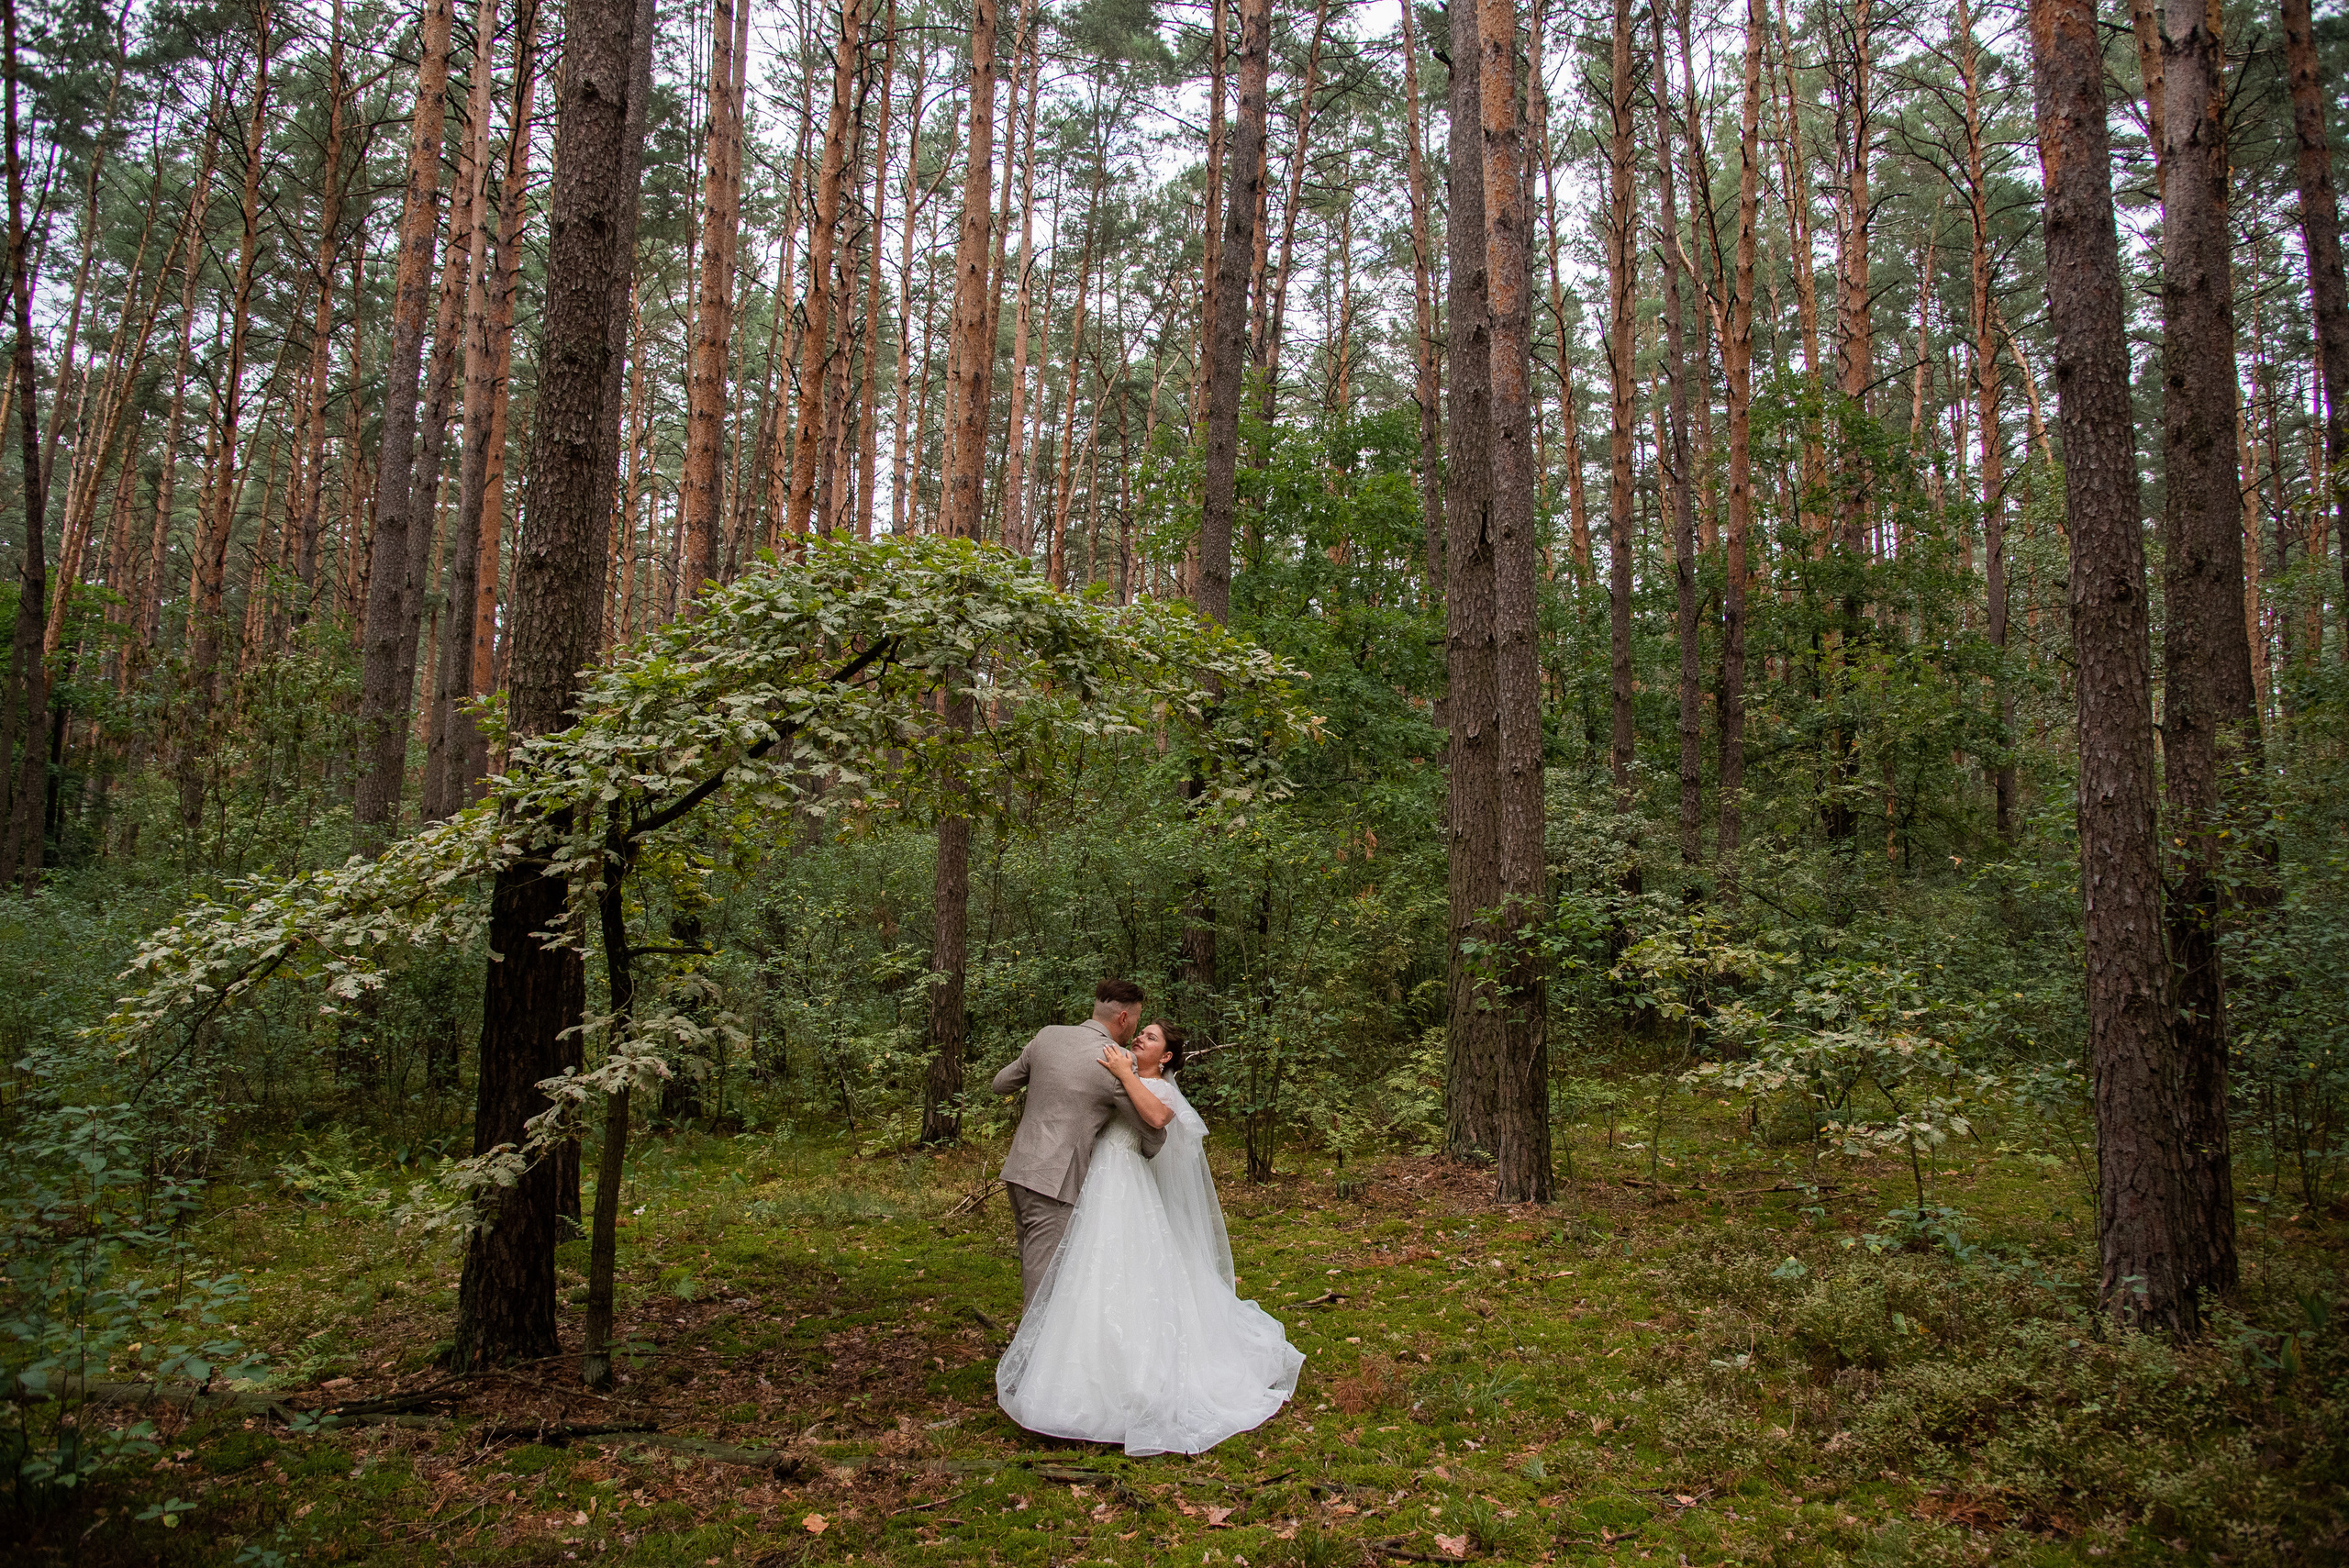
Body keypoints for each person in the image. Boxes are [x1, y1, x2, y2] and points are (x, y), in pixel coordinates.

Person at [996, 1018, 1304, 1456]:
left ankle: (1136, 1380)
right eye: (1142, 1032)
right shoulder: (1123, 1077)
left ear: (1167, 1057)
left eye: (1151, 1037)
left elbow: (1157, 1120)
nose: (1140, 1037)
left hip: (1125, 1187)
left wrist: (1124, 1073)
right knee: (1087, 1277)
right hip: (1096, 1183)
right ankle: (1075, 1372)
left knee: (1126, 1274)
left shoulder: (1157, 1088)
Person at [990, 979, 1167, 1310]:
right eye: (1137, 1021)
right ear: (1125, 1019)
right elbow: (1152, 1132)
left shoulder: (1047, 1035)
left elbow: (1001, 1084)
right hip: (1055, 1183)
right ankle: (1035, 1360)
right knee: (1044, 1285)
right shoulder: (1117, 1059)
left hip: (1018, 1171)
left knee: (1033, 1262)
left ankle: (1036, 1353)